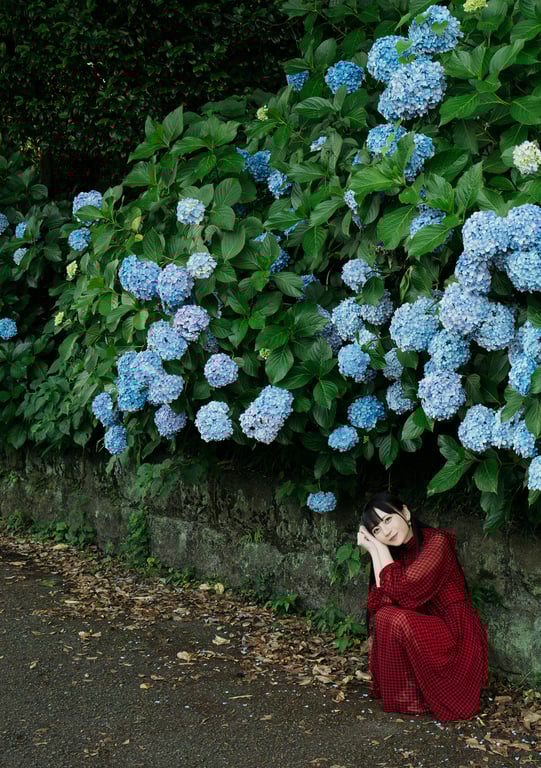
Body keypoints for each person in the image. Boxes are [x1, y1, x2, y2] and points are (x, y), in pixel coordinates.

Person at [357, 490, 488, 721]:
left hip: (455, 636)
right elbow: (381, 601)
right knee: (385, 615)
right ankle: (411, 697)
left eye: (388, 519)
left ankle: (435, 693)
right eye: (377, 530)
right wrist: (375, 549)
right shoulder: (396, 556)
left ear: (405, 512)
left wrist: (380, 548)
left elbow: (402, 590)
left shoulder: (436, 542)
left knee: (395, 617)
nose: (386, 531)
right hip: (427, 631)